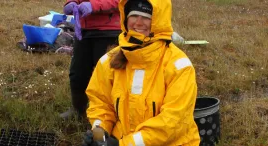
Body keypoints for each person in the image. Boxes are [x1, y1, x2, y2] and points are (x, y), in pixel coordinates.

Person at [82, 0, 200, 145]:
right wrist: (100, 135)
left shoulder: (179, 66)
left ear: (159, 21)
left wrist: (122, 144)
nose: (138, 23)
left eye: (146, 17)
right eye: (134, 15)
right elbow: (100, 105)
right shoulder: (108, 61)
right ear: (125, 18)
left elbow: (173, 122)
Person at [60, 0, 121, 119]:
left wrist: (94, 6)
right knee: (78, 72)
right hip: (83, 30)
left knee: (106, 77)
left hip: (109, 32)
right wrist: (71, 3)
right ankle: (78, 109)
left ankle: (107, 117)